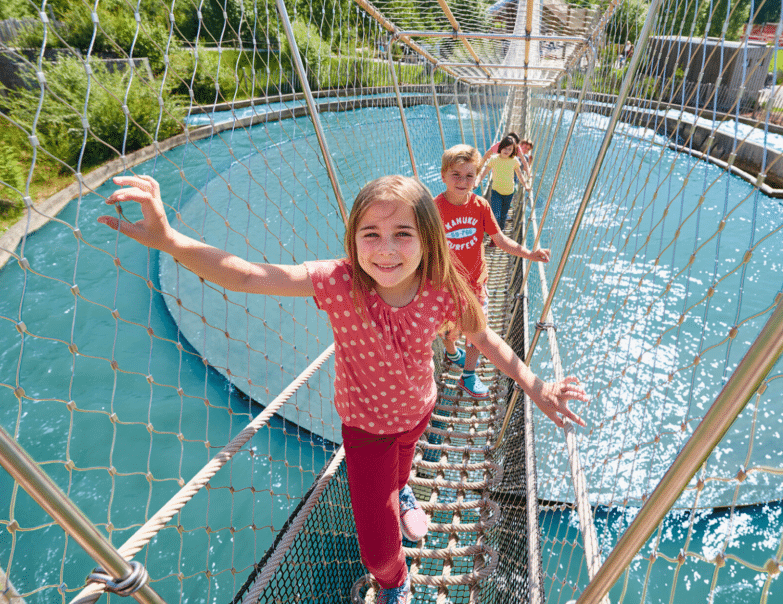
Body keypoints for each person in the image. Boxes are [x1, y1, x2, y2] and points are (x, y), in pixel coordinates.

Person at [97, 174, 586, 604]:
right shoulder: (337, 282)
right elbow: (247, 275)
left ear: (428, 239)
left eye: (402, 234)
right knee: (377, 547)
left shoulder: (442, 287)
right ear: (353, 241)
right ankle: (395, 582)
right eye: (370, 234)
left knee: (405, 461)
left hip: (418, 411)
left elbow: (483, 336)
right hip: (365, 429)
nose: (386, 249)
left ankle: (404, 491)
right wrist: (171, 241)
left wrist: (535, 385)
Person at [435, 144, 551, 398]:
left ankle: (468, 375)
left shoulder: (481, 206)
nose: (463, 181)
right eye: (456, 174)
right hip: (445, 286)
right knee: (447, 329)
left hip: (476, 283)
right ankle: (451, 350)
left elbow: (499, 240)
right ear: (443, 176)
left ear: (477, 179)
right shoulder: (434, 211)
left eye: (469, 176)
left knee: (477, 332)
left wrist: (529, 253)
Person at [477, 136, 529, 230]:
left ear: (513, 151)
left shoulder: (514, 160)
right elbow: (484, 172)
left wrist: (526, 185)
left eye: (510, 149)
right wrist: (477, 182)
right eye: (505, 148)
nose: (507, 151)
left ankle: (499, 235)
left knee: (503, 216)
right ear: (500, 147)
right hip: (496, 192)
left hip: (509, 193)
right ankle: (494, 235)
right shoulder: (494, 159)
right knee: (496, 215)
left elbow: (520, 175)